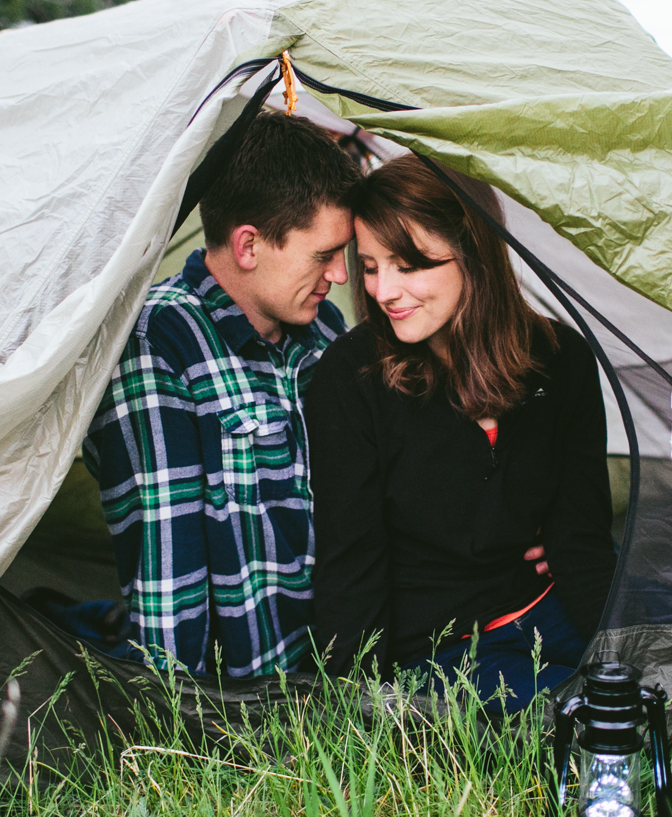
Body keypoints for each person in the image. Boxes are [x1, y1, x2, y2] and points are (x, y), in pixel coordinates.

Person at [307, 155, 618, 712]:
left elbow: (582, 535)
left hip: (549, 611)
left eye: (407, 265)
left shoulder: (561, 359)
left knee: (660, 693)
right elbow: (350, 559)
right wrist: (356, 703)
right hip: (443, 644)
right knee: (569, 721)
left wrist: (616, 647)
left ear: (473, 253)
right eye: (372, 266)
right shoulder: (352, 377)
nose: (383, 291)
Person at [82, 109, 359, 678]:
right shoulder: (159, 339)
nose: (341, 276)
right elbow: (166, 558)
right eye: (324, 255)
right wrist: (184, 724)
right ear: (249, 245)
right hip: (240, 700)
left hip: (339, 674)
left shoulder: (329, 331)